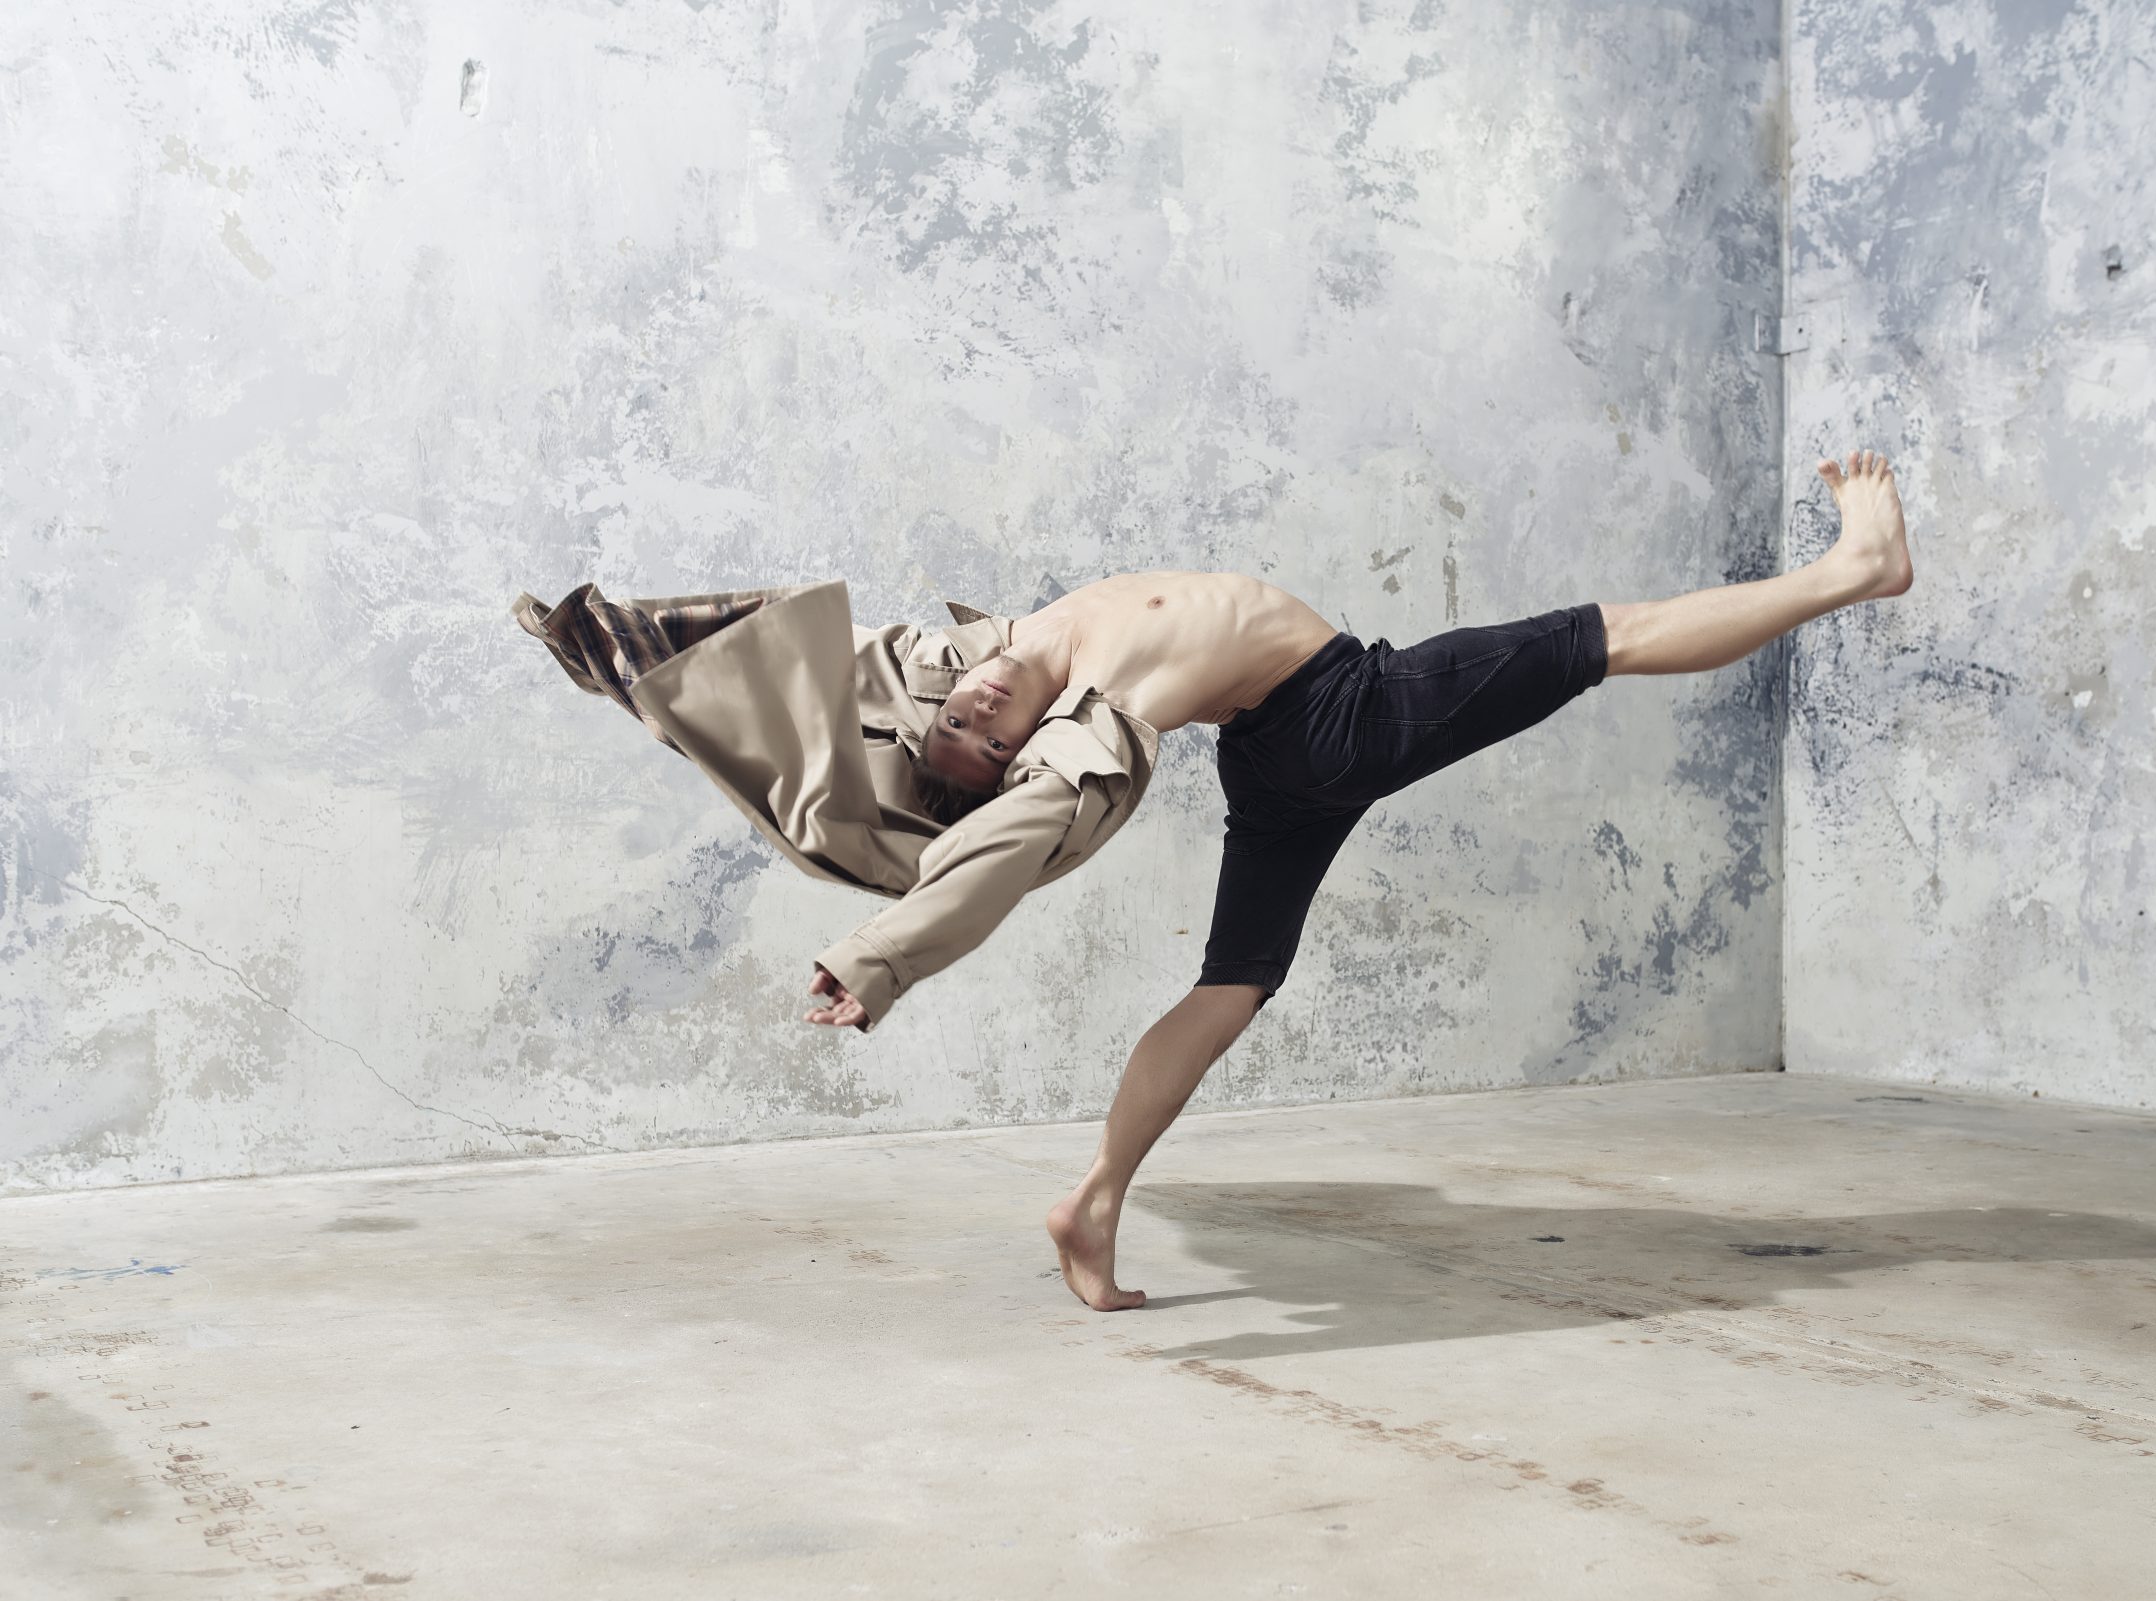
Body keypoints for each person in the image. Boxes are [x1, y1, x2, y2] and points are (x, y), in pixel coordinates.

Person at [519, 451, 1911, 1312]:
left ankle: (1096, 1196)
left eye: (975, 702)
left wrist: (630, 655)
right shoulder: (1088, 719)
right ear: (1025, 751)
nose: (987, 694)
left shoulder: (992, 650)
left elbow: (826, 683)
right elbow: (1000, 851)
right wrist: (879, 958)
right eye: (990, 728)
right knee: (1611, 636)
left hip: (1279, 744)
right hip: (1341, 709)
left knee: (1233, 982)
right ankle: (1855, 569)